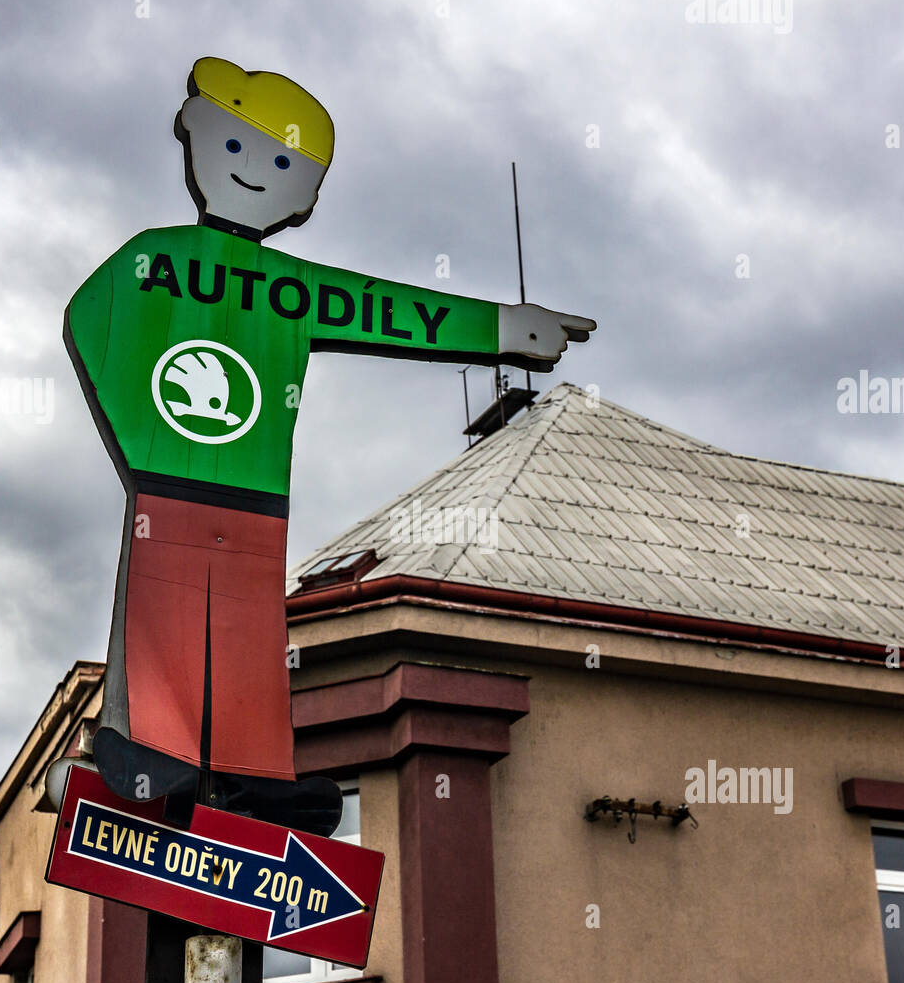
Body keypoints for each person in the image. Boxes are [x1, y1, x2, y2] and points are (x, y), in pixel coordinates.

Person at [65, 57, 594, 816]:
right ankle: (148, 750)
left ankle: (252, 777)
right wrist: (144, 431)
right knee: (162, 611)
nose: (255, 172)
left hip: (256, 498)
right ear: (197, 135)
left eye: (281, 162)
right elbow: (93, 318)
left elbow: (387, 308)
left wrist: (503, 327)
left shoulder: (297, 289)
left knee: (251, 626)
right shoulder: (157, 257)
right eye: (239, 148)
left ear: (305, 192)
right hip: (170, 482)